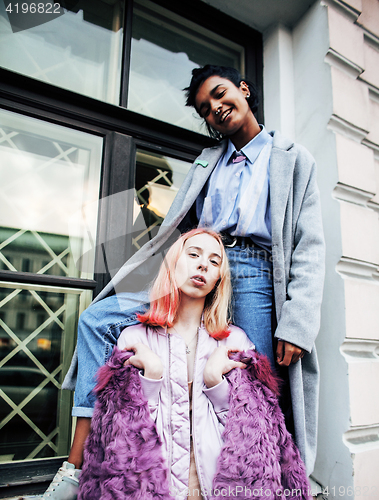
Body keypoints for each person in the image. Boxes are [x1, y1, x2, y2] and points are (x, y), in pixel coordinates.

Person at [38, 64, 324, 500]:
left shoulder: (291, 157)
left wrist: (298, 322)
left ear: (244, 90)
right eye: (206, 109)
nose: (217, 108)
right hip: (200, 265)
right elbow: (179, 226)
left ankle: (273, 486)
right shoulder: (209, 161)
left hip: (255, 275)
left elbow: (309, 243)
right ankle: (80, 467)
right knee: (97, 319)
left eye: (221, 94)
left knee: (256, 392)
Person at [77, 229, 310, 500]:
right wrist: (150, 380)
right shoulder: (134, 338)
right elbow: (117, 436)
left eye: (214, 261)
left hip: (216, 488)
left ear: (218, 279)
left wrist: (216, 384)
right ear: (173, 263)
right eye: (194, 254)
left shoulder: (235, 341)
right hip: (153, 489)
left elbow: (253, 437)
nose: (203, 265)